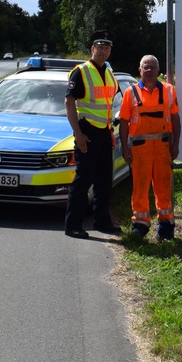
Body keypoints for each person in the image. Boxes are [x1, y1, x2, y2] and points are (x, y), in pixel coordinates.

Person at [64, 30, 121, 238]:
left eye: (107, 48)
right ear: (92, 49)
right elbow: (69, 103)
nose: (103, 51)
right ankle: (73, 226)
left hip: (105, 132)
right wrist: (77, 134)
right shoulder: (81, 71)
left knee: (104, 181)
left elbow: (109, 103)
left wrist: (110, 131)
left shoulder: (109, 71)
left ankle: (102, 222)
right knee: (83, 180)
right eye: (100, 47)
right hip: (87, 132)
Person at [118, 55, 181, 241]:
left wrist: (175, 144)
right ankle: (140, 224)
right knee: (140, 188)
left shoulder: (169, 90)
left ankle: (166, 227)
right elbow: (123, 122)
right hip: (139, 149)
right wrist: (124, 148)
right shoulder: (131, 92)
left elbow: (176, 119)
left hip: (163, 147)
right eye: (146, 67)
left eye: (153, 67)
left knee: (163, 187)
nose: (150, 70)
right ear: (140, 70)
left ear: (158, 70)